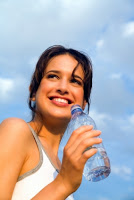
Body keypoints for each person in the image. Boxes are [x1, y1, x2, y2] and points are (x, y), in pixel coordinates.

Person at [0, 45, 102, 200]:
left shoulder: (63, 169)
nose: (63, 88)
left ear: (83, 104)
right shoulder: (16, 130)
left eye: (75, 81)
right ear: (33, 92)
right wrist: (63, 184)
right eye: (53, 76)